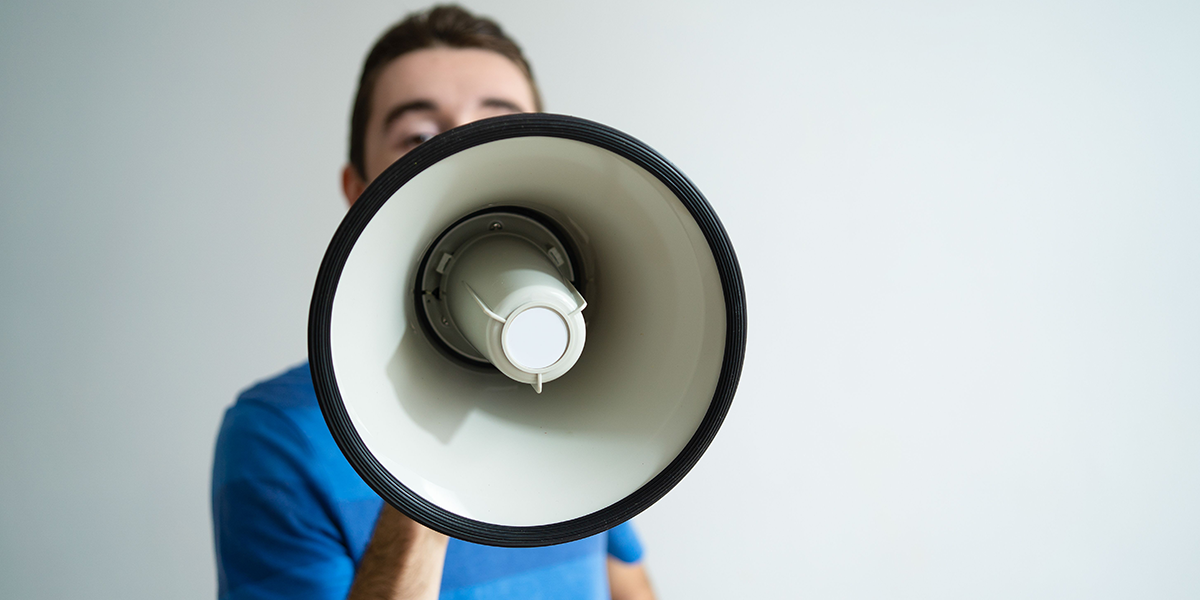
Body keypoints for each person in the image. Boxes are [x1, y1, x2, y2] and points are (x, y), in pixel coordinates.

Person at [211, 6, 656, 600]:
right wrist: (423, 469)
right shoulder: (279, 435)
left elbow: (627, 584)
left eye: (501, 124)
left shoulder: (577, 402)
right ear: (357, 190)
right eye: (418, 137)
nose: (462, 147)